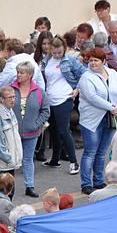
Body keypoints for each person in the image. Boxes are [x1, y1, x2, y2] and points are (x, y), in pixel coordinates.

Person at [78, 48, 117, 194]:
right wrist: (111, 107)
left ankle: (98, 181)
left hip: (110, 118)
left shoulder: (113, 73)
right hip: (92, 119)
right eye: (90, 60)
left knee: (101, 152)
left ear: (103, 61)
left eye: (96, 60)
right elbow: (92, 97)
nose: (92, 63)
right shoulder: (86, 77)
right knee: (90, 152)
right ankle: (86, 183)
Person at [41, 38, 84, 175]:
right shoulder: (47, 60)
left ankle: (74, 163)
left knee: (63, 131)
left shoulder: (69, 60)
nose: (57, 55)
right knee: (54, 130)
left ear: (64, 49)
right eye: (54, 52)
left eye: (60, 52)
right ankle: (55, 160)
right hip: (50, 98)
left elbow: (83, 73)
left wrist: (77, 88)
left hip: (64, 98)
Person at [11, 61, 50, 199]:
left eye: (22, 72)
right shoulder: (10, 89)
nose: (19, 75)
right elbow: (2, 107)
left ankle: (30, 186)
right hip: (12, 132)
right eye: (18, 72)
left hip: (32, 132)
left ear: (30, 75)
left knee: (28, 159)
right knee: (12, 160)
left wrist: (37, 124)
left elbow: (46, 110)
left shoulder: (39, 91)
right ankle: (8, 187)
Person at [0, 86, 24, 193]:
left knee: (9, 192)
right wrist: (9, 158)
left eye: (14, 97)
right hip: (1, 165)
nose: (13, 100)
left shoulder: (10, 112)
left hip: (9, 163)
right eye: (9, 97)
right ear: (2, 99)